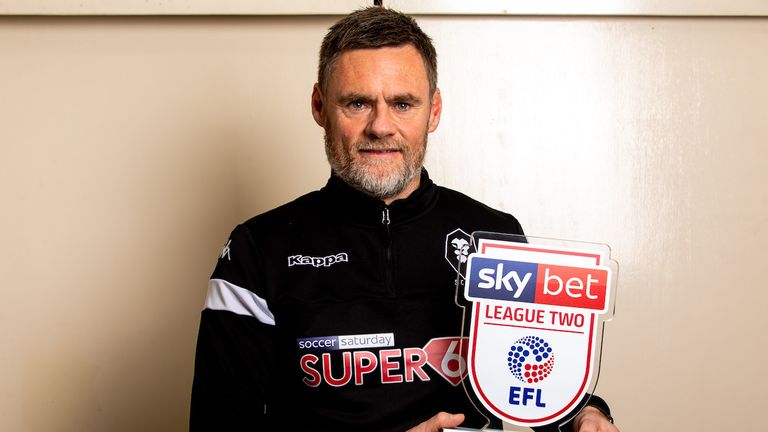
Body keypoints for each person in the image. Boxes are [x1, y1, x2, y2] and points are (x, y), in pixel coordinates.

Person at [191, 7, 619, 432]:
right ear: (320, 107)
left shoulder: (495, 237)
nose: (381, 126)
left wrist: (587, 414)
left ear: (433, 111)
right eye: (357, 103)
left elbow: (537, 371)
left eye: (402, 103)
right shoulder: (257, 250)